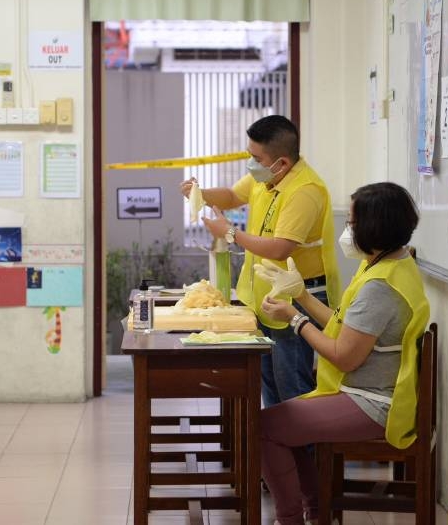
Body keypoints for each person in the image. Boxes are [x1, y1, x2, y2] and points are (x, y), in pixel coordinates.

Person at [255, 182, 430, 525]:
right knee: (278, 424)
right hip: (369, 392)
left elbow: (344, 356)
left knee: (263, 426)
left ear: (373, 227)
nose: (348, 231)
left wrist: (295, 320)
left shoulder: (380, 286)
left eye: (352, 223)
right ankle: (317, 511)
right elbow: (342, 324)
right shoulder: (391, 265)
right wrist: (302, 296)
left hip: (373, 403)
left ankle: (291, 517)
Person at [180, 115, 340, 406]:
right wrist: (198, 194)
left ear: (282, 163)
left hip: (297, 298)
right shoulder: (265, 176)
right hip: (265, 296)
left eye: (255, 158)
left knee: (293, 387)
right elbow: (230, 195)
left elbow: (281, 248)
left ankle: (303, 451)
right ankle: (278, 449)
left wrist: (229, 233)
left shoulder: (305, 190)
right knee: (271, 387)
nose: (250, 164)